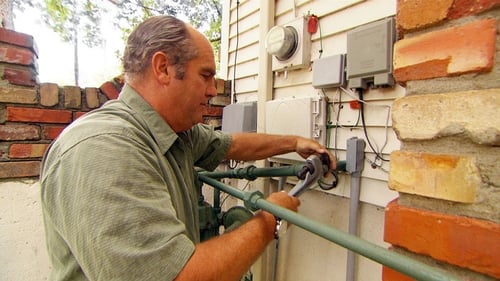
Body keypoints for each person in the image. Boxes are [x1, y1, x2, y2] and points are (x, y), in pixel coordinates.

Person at [40, 15, 335, 281]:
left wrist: (295, 142)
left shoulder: (174, 132)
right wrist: (270, 217)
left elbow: (231, 144)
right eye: (205, 75)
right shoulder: (104, 149)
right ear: (163, 68)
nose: (212, 90)